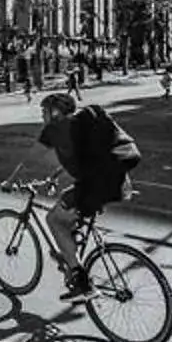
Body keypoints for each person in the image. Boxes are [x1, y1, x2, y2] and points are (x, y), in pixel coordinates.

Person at [35, 91, 141, 299]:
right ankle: (71, 250)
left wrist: (11, 181)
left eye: (44, 111)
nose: (42, 116)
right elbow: (83, 159)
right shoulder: (80, 124)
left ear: (55, 112)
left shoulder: (57, 129)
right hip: (116, 183)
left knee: (53, 220)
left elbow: (31, 156)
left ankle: (82, 282)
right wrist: (55, 175)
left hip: (94, 187)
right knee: (68, 201)